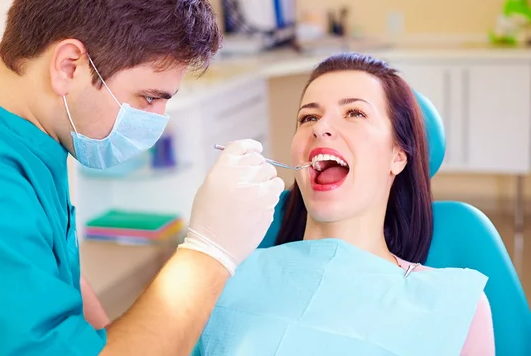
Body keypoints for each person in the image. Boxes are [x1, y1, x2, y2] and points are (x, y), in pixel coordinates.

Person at [0, 0, 284, 355]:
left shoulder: (8, 117)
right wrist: (210, 250)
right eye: (148, 97)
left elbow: (48, 274)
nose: (156, 120)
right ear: (69, 66)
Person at [193, 53, 495, 355]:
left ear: (398, 155)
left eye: (355, 113)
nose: (320, 127)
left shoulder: (456, 307)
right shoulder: (222, 276)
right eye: (308, 117)